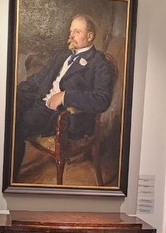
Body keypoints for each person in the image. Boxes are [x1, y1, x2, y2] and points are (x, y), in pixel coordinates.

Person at [12, 14, 115, 180]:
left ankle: (11, 178)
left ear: (90, 36)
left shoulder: (99, 64)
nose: (71, 35)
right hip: (40, 99)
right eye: (71, 31)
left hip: (62, 115)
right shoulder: (61, 56)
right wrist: (14, 93)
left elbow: (102, 99)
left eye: (77, 32)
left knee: (15, 126)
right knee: (10, 107)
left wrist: (66, 96)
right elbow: (39, 79)